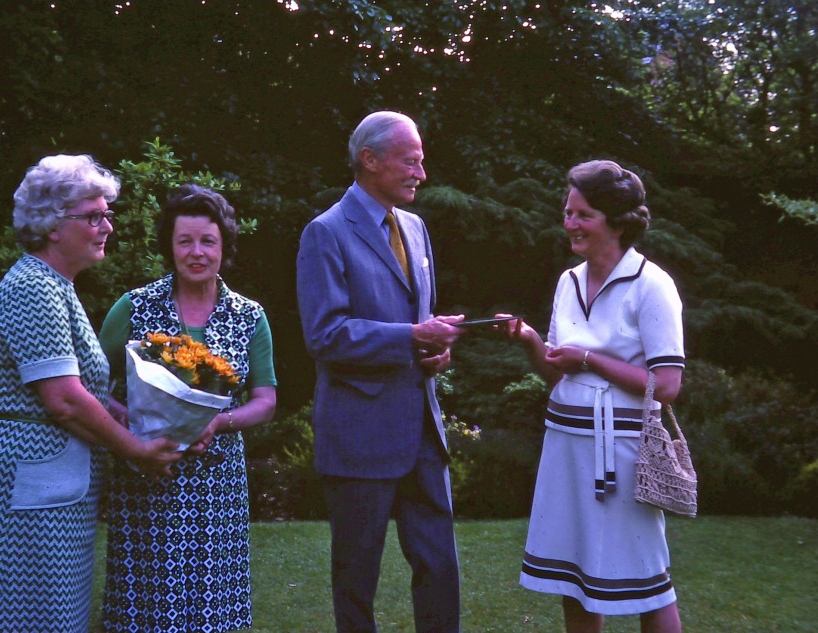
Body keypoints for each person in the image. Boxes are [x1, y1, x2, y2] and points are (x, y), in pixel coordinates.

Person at [0, 154, 183, 633]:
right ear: (51, 225)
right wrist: (137, 449)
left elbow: (84, 393)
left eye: (107, 214)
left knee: (54, 618)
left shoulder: (57, 288)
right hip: (30, 489)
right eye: (93, 216)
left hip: (54, 489)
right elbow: (63, 399)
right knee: (25, 618)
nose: (106, 225)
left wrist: (146, 420)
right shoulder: (32, 289)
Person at [296, 110, 465, 633]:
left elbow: (417, 322)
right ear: (369, 160)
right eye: (410, 161)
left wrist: (437, 351)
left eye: (422, 161)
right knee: (356, 578)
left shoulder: (414, 227)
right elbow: (325, 335)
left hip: (421, 430)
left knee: (440, 566)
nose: (421, 173)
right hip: (359, 434)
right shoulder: (324, 233)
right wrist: (412, 339)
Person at [501, 160, 685, 633]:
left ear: (617, 221)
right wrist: (529, 341)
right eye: (567, 213)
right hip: (566, 447)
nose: (570, 223)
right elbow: (557, 373)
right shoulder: (568, 282)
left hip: (623, 454)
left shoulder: (652, 285)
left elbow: (666, 385)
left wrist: (588, 359)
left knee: (649, 580)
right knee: (575, 577)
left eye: (583, 214)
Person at [99, 184, 278, 633]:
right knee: (147, 606)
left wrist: (218, 422)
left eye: (208, 241)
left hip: (217, 486)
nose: (197, 252)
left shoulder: (248, 316)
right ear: (170, 246)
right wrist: (130, 422)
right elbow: (90, 385)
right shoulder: (135, 307)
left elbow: (266, 400)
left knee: (211, 607)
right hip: (146, 479)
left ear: (224, 246)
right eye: (185, 241)